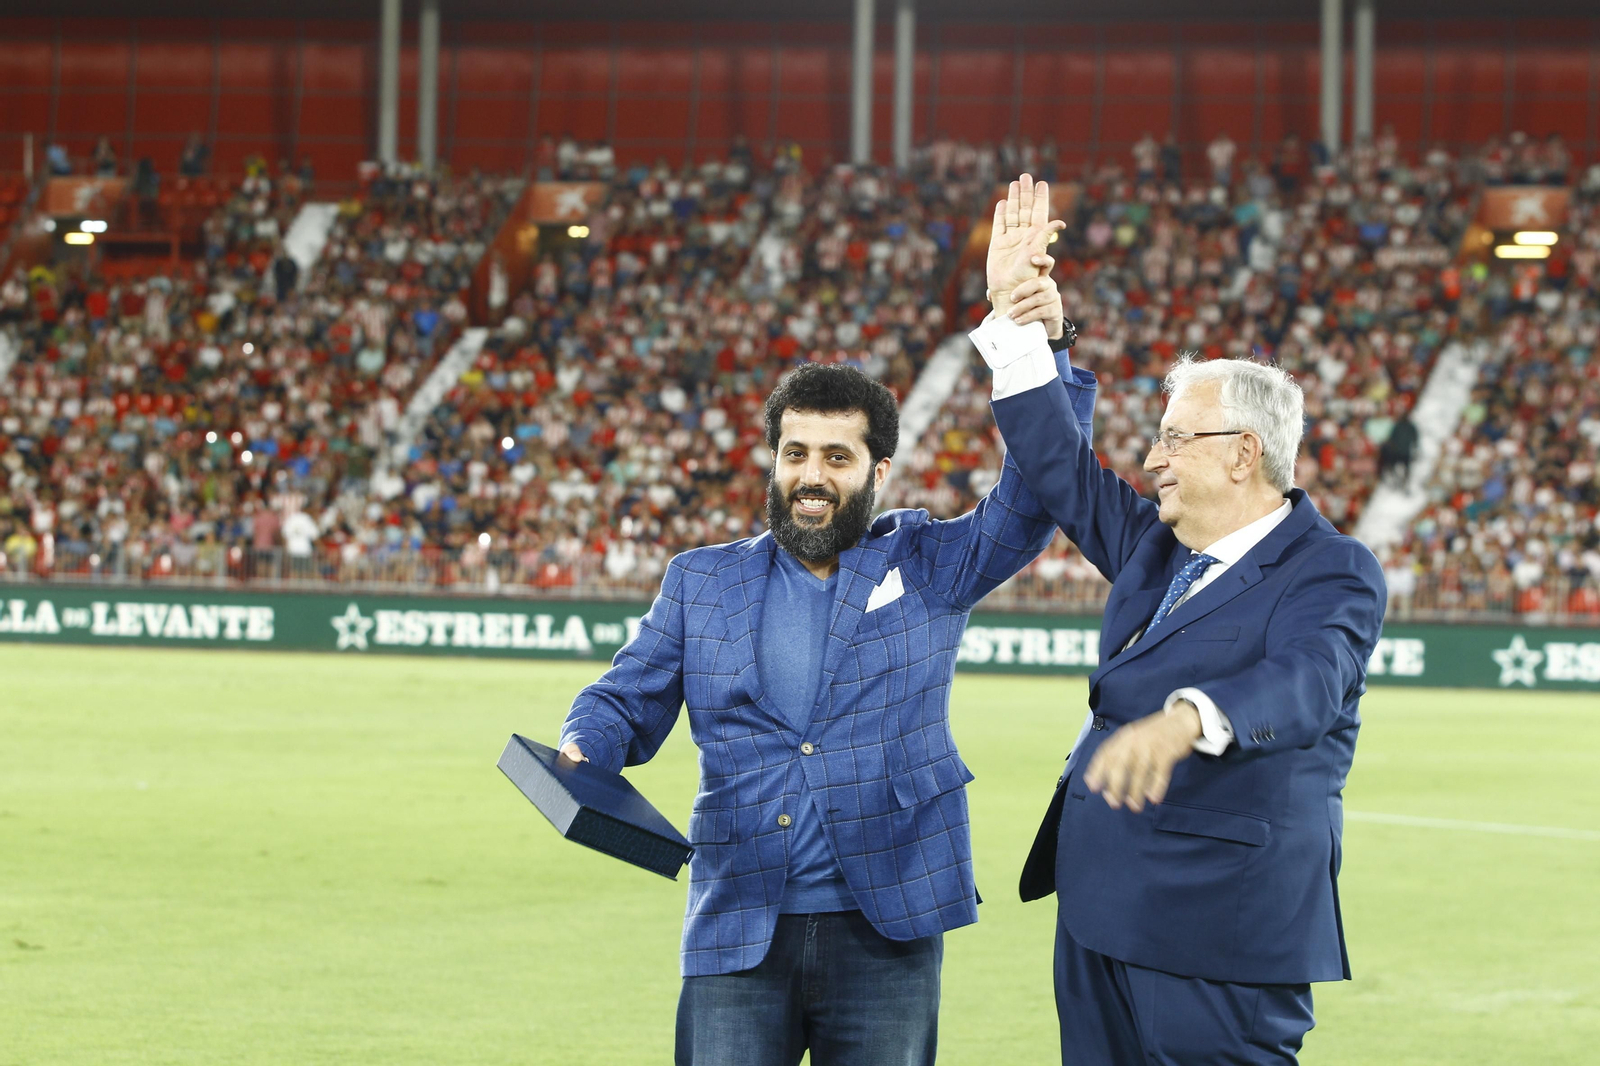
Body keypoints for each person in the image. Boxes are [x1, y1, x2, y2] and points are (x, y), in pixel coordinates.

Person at [556, 178, 1092, 1066]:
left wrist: (1039, 346)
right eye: (796, 452)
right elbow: (628, 698)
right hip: (738, 925)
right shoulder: (701, 582)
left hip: (887, 929)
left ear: (877, 468)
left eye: (837, 457)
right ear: (772, 460)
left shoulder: (923, 560)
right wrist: (584, 741)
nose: (813, 474)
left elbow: (1035, 502)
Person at [976, 176, 1387, 1066]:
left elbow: (1309, 682)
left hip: (1219, 935)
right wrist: (1016, 323)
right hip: (1098, 911)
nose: (1153, 458)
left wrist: (1192, 718)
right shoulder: (1154, 547)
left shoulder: (1334, 570)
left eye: (1174, 439)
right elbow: (1058, 465)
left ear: (1245, 454)